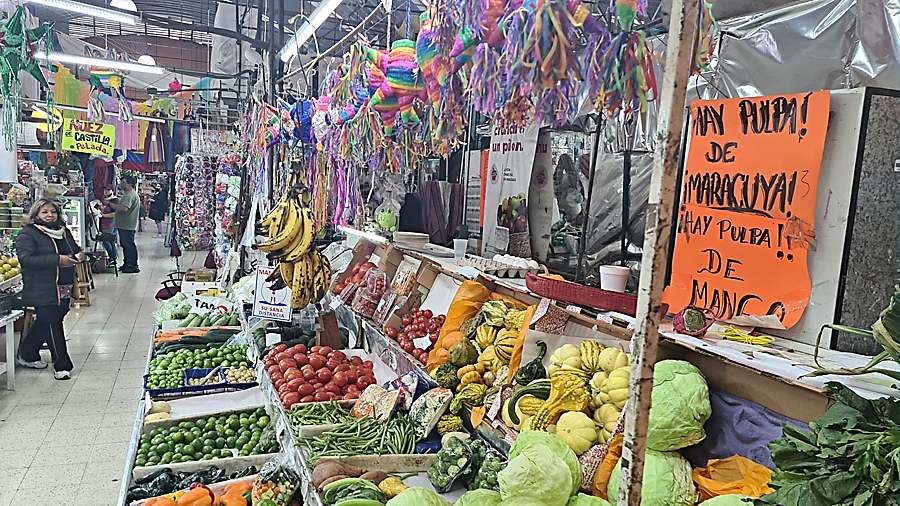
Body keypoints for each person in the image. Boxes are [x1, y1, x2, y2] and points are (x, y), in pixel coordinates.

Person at [15, 199, 81, 380]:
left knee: (51, 318)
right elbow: (26, 260)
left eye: (53, 212)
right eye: (44, 212)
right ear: (36, 214)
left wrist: (78, 255)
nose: (49, 215)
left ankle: (27, 353)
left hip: (64, 285)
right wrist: (57, 260)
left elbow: (74, 249)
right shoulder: (28, 234)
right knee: (52, 322)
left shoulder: (63, 232)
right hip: (42, 286)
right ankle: (61, 365)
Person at [106, 174, 140, 273]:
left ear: (130, 184)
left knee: (128, 245)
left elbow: (124, 208)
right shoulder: (130, 194)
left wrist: (110, 204)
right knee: (126, 245)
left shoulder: (130, 195)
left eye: (123, 182)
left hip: (127, 225)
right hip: (126, 224)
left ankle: (131, 265)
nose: (121, 184)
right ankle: (127, 263)